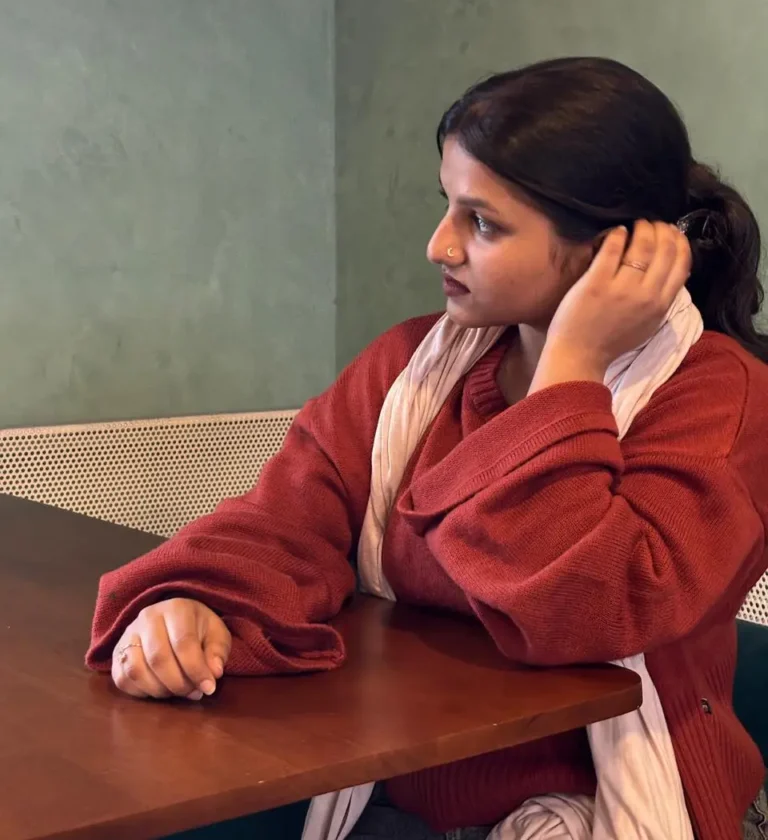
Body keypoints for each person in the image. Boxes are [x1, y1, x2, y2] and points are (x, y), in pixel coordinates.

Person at [87, 58, 768, 840]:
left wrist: (569, 367)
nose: (438, 246)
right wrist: (188, 604)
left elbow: (591, 607)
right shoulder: (410, 370)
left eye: (483, 222)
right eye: (446, 206)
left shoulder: (721, 398)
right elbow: (285, 521)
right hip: (393, 796)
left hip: (618, 810)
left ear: (607, 251)